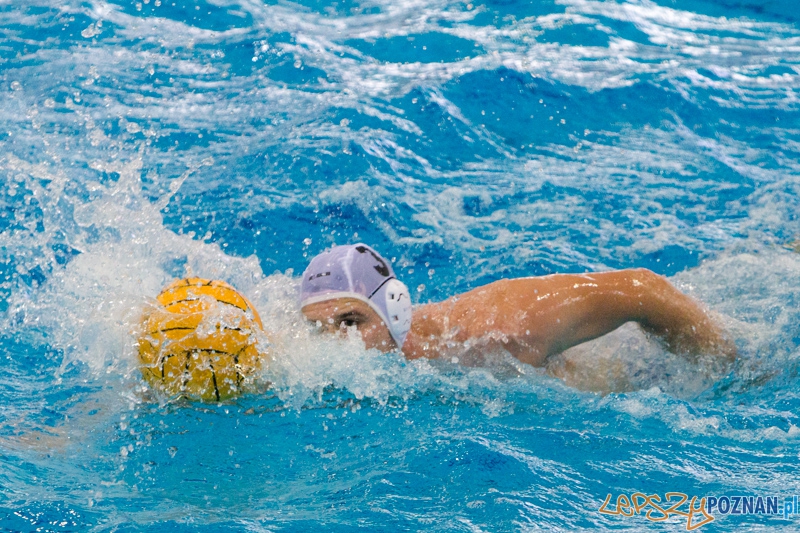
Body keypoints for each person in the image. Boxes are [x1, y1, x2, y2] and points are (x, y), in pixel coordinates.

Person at [299, 244, 736, 389]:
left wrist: (726, 365)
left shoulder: (495, 328)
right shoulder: (334, 368)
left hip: (648, 366)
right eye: (321, 329)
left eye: (352, 323)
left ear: (394, 309)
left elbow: (644, 288)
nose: (341, 345)